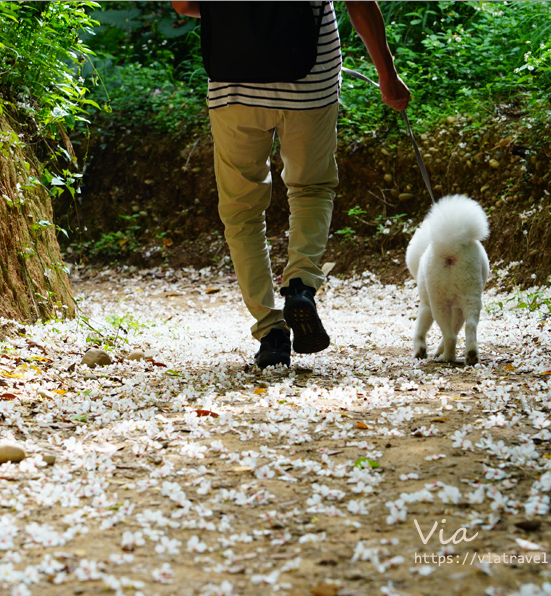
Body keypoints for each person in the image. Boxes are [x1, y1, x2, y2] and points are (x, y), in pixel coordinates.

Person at [172, 1, 410, 369]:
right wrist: (387, 74)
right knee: (311, 188)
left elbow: (184, 4)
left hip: (234, 85)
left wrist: (250, 20)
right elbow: (359, 4)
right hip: (309, 83)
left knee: (241, 210)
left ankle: (272, 333)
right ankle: (300, 286)